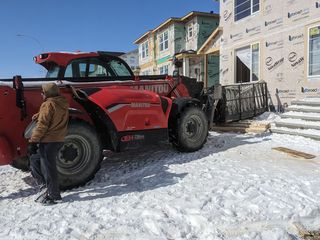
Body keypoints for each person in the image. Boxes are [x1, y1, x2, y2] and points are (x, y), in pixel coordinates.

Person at [28, 82, 69, 205]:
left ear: (47, 93)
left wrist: (33, 141)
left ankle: (54, 195)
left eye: (43, 92)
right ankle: (44, 187)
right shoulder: (61, 102)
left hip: (49, 140)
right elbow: (51, 115)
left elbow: (42, 125)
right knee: (35, 159)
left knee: (49, 168)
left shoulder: (48, 104)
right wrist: (38, 115)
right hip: (58, 139)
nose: (41, 94)